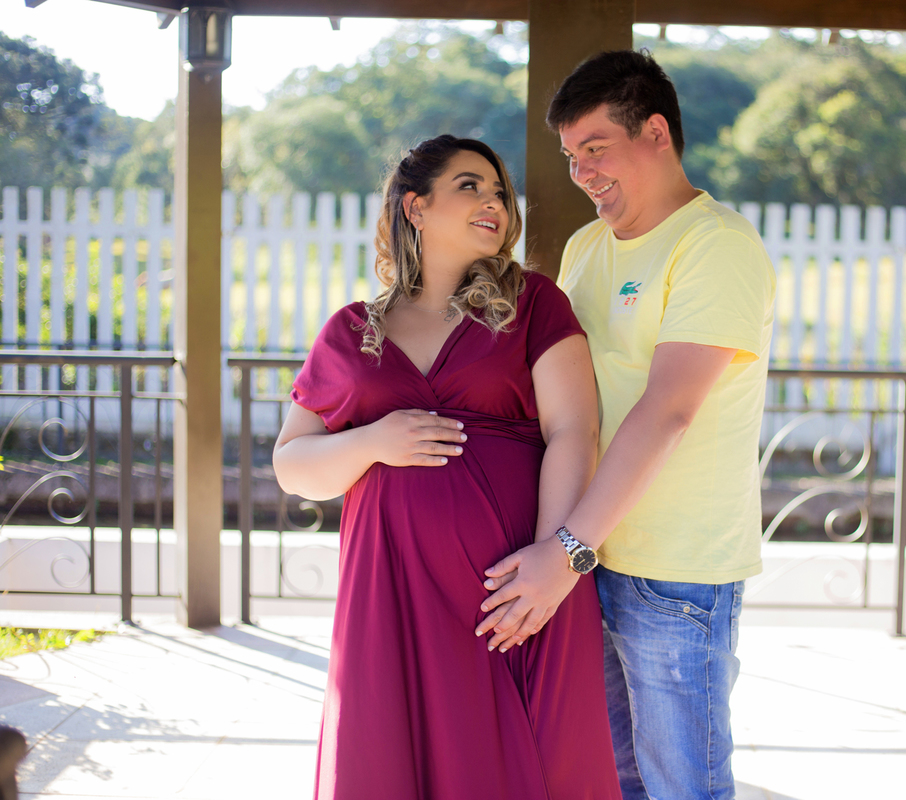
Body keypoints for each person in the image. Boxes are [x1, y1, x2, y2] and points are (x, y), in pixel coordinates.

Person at [273, 134, 621, 800]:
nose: (493, 201)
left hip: (515, 594)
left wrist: (551, 562)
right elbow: (294, 466)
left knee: (539, 767)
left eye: (499, 191)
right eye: (470, 186)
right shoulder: (351, 331)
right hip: (393, 597)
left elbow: (575, 430)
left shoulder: (534, 304)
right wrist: (373, 439)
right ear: (416, 207)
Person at [479, 51, 776, 800]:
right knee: (613, 781)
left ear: (656, 133)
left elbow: (669, 409)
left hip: (675, 570)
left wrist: (566, 549)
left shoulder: (717, 244)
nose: (582, 172)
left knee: (684, 788)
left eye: (596, 149)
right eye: (571, 156)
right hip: (589, 556)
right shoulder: (586, 247)